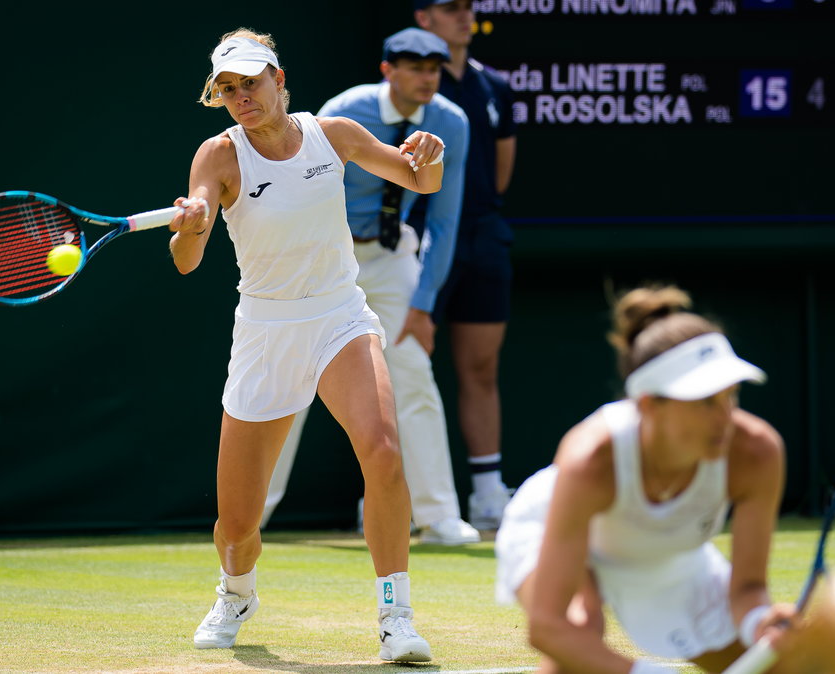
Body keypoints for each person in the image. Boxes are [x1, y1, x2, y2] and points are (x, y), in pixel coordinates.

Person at [169, 28, 448, 662]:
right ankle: (236, 591)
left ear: (279, 78)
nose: (243, 96)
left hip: (338, 316)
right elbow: (187, 261)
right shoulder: (218, 156)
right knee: (237, 526)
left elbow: (420, 181)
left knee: (382, 452)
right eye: (229, 89)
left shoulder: (335, 135)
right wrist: (191, 226)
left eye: (251, 82)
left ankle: (394, 618)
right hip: (266, 332)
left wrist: (427, 155)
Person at [494, 285, 796, 673]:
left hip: (666, 553)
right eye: (706, 401)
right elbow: (547, 628)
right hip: (561, 529)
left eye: (731, 395)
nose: (725, 419)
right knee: (579, 634)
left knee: (772, 666)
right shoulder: (590, 461)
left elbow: (748, 589)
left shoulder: (756, 452)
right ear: (650, 405)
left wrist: (760, 624)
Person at [259, 28, 479, 546]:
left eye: (435, 69)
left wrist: (424, 304)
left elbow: (443, 219)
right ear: (388, 70)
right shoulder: (345, 110)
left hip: (390, 255)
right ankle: (253, 516)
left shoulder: (450, 123)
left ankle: (438, 514)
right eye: (415, 67)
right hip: (323, 257)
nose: (428, 78)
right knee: (288, 381)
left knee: (414, 375)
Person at [414, 0, 518, 530]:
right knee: (408, 369)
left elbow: (500, 169)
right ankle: (405, 495)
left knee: (481, 367)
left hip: (482, 237)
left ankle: (486, 493)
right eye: (449, 8)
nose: (463, 16)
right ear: (423, 18)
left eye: (468, 8)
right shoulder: (414, 87)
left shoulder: (495, 87)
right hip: (421, 242)